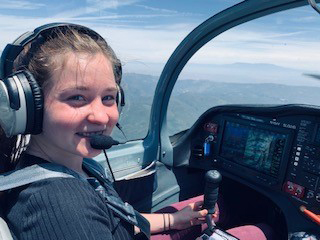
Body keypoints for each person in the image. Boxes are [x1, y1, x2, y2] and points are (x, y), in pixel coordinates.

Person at [0, 23, 275, 240]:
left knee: (220, 206)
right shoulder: (59, 206)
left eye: (108, 98)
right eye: (77, 98)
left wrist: (173, 220)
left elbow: (114, 216)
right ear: (29, 107)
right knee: (264, 231)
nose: (101, 116)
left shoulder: (74, 167)